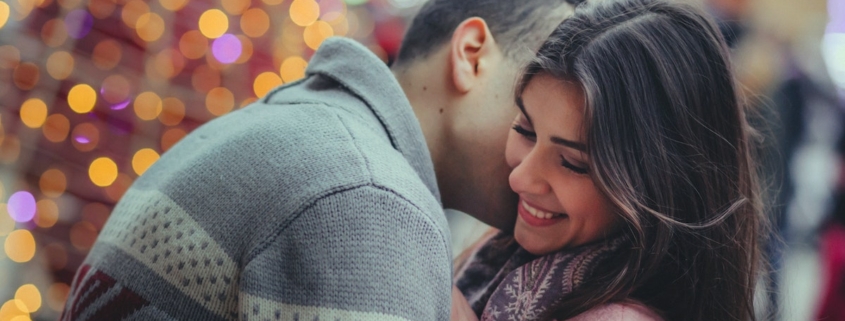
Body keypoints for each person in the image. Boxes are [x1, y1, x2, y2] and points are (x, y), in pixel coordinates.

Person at [59, 1, 579, 320]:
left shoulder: (296, 129)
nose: (537, 168)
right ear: (471, 55)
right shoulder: (367, 196)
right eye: (532, 112)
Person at [452, 0, 767, 320]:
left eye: (573, 163)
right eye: (525, 130)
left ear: (659, 184)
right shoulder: (503, 249)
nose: (519, 178)